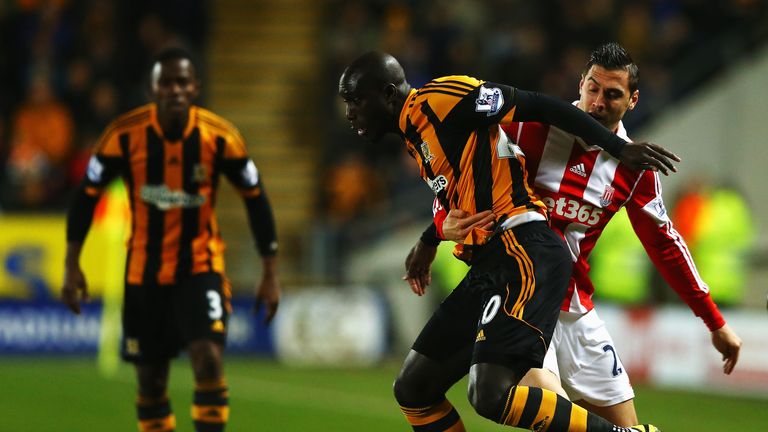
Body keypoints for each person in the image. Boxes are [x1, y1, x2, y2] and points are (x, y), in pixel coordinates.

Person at [404, 42, 742, 427]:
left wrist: (714, 321)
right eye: (592, 89)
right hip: (522, 296)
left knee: (626, 425)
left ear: (632, 101)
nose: (598, 102)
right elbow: (456, 173)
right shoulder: (529, 130)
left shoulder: (634, 167)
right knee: (550, 414)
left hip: (577, 310)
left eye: (613, 94)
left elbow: (665, 245)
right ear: (580, 84)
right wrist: (439, 222)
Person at [339, 51, 679, 432]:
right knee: (414, 388)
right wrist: (429, 238)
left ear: (387, 95)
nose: (349, 112)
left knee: (490, 392)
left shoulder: (443, 99)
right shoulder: (416, 136)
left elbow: (538, 104)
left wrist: (617, 148)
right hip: (491, 263)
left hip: (524, 249)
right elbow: (459, 204)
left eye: (354, 100)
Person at [61, 47, 281, 432]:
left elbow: (256, 198)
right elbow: (85, 196)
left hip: (200, 265)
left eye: (182, 82)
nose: (175, 90)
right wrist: (71, 263)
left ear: (195, 87)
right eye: (166, 82)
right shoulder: (123, 136)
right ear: (153, 88)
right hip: (143, 272)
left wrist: (270, 271)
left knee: (209, 359)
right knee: (150, 380)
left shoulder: (220, 137)